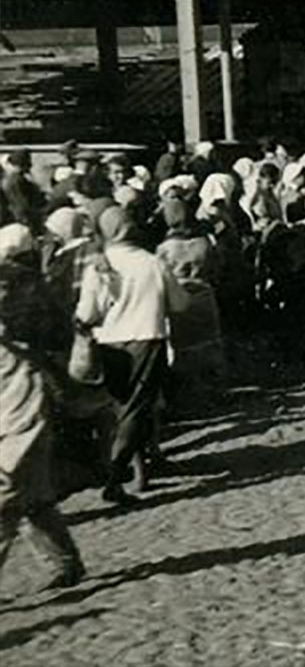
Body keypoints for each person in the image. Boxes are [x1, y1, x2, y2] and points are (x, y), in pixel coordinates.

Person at [76, 206, 185, 505]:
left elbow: (86, 313)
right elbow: (180, 304)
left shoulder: (98, 266)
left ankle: (139, 472)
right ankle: (116, 478)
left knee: (125, 408)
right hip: (147, 339)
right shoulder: (153, 263)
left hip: (111, 344)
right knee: (138, 408)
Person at [0, 224, 85, 593]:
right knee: (33, 496)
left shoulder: (19, 291)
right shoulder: (32, 288)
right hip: (17, 398)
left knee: (6, 492)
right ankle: (66, 562)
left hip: (21, 400)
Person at [156, 198, 225, 411]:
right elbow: (217, 267)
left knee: (182, 347)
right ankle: (210, 393)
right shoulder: (203, 242)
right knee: (207, 344)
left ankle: (188, 396)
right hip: (204, 296)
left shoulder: (165, 248)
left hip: (180, 300)